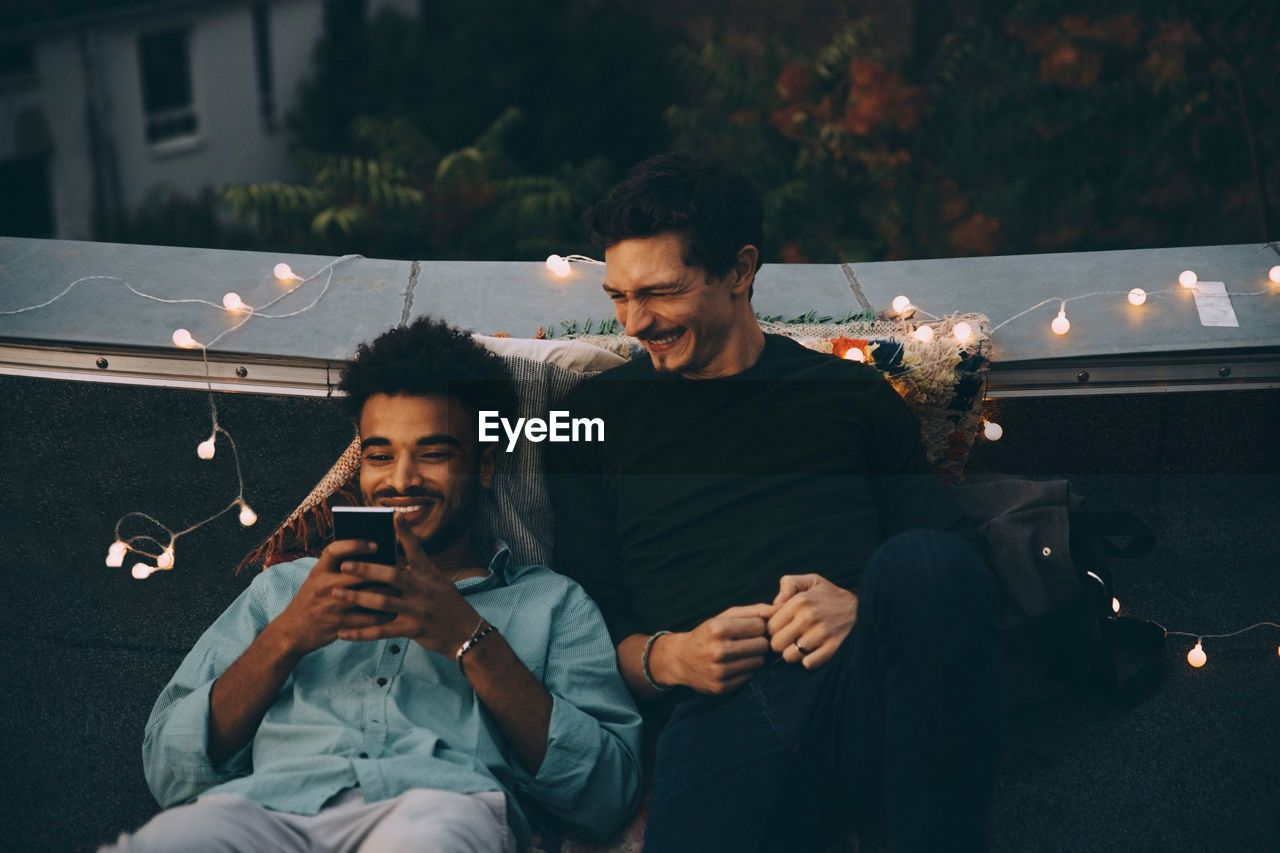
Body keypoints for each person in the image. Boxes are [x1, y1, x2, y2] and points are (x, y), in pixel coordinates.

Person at [547, 151, 1005, 852]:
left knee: (924, 564)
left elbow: (962, 566)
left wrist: (863, 609)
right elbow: (579, 627)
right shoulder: (592, 418)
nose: (634, 322)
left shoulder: (846, 394)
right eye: (618, 296)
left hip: (864, 677)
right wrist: (671, 656)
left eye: (660, 292)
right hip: (723, 705)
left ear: (739, 270)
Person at [109, 317, 643, 853]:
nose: (401, 479)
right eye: (380, 456)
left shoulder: (552, 604)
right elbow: (168, 770)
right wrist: (290, 634)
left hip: (440, 810)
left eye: (433, 454)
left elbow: (607, 797)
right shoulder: (284, 590)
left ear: (485, 465)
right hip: (266, 811)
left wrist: (469, 638)